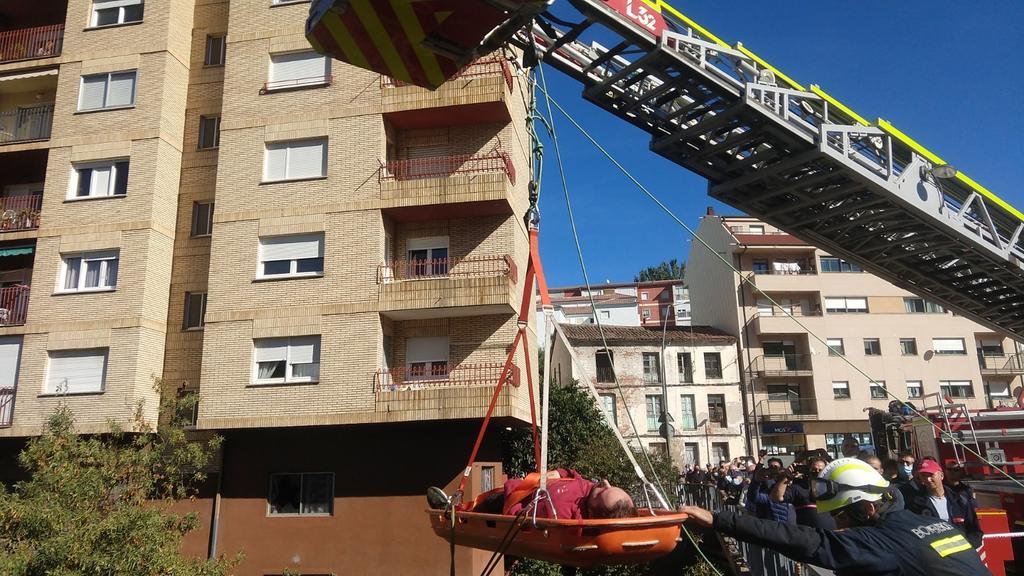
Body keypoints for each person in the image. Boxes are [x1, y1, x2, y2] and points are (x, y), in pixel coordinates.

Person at [680, 458, 991, 576]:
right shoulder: (927, 523)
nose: (838, 525)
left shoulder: (882, 541)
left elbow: (804, 541)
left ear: (867, 508)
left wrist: (718, 520)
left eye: (841, 516)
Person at [445, 468, 636, 520]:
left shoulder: (568, 516)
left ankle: (456, 514)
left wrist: (513, 507)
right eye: (609, 486)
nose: (604, 483)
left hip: (510, 505)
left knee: (483, 507)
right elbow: (572, 475)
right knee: (485, 499)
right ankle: (457, 508)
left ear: (592, 513)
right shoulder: (590, 489)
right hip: (520, 489)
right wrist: (560, 474)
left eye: (602, 490)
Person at [900, 460, 983, 548]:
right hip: (934, 557)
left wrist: (967, 548)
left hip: (962, 554)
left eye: (931, 475)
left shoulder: (960, 500)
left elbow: (975, 531)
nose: (928, 479)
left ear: (941, 476)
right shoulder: (914, 503)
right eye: (923, 476)